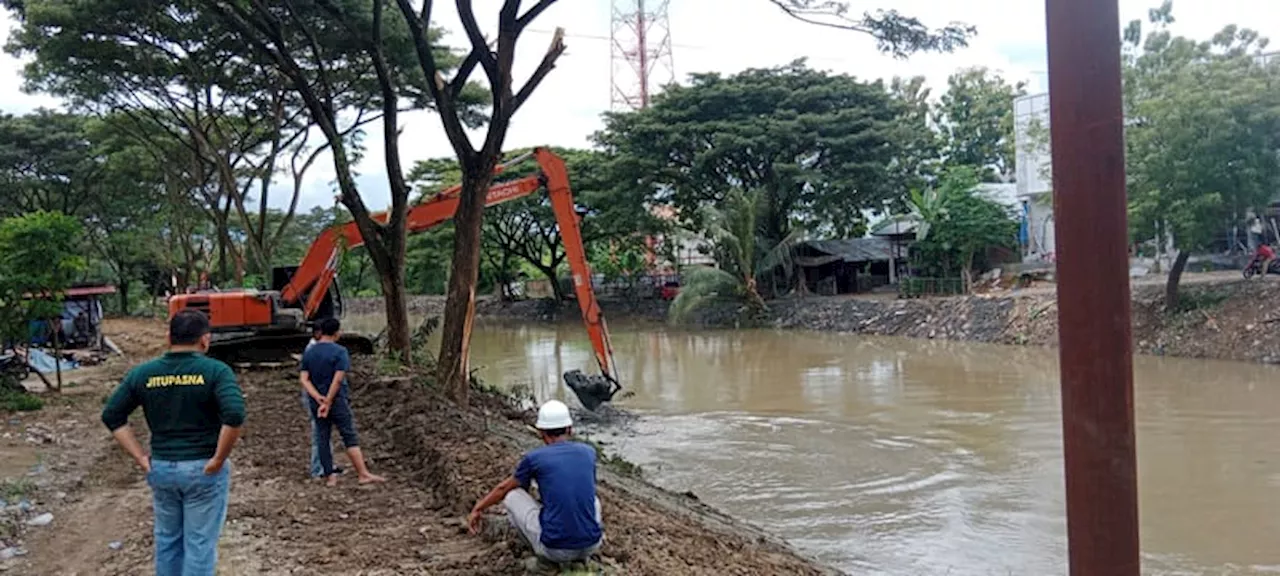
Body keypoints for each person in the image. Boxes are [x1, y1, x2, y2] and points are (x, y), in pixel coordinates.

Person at [100, 309, 245, 576]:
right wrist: (219, 458)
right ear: (205, 340)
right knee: (199, 544)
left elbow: (112, 415)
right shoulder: (215, 371)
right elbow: (234, 414)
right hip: (203, 470)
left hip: (163, 468)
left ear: (168, 337)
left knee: (168, 541)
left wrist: (141, 457)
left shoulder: (143, 374)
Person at [468, 400, 603, 564]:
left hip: (555, 551)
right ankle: (581, 557)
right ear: (569, 429)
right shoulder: (588, 452)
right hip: (592, 545)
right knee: (593, 500)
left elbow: (503, 488)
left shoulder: (535, 458)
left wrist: (478, 508)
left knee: (512, 495)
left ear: (541, 432)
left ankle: (541, 559)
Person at [299, 317, 385, 486]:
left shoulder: (309, 352)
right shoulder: (340, 352)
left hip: (316, 402)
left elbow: (304, 379)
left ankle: (330, 477)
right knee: (348, 435)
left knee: (322, 437)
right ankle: (362, 473)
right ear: (337, 333)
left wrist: (318, 398)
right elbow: (337, 380)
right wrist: (329, 401)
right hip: (336, 400)